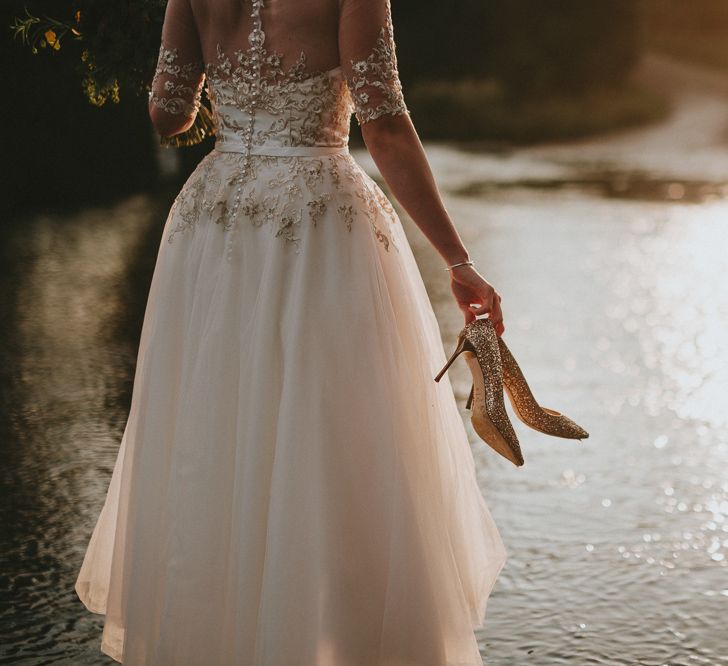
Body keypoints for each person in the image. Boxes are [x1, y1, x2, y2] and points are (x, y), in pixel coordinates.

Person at [75, 0, 507, 663]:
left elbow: (170, 115)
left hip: (214, 221)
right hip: (317, 222)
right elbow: (384, 123)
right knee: (332, 435)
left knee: (215, 430)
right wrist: (458, 260)